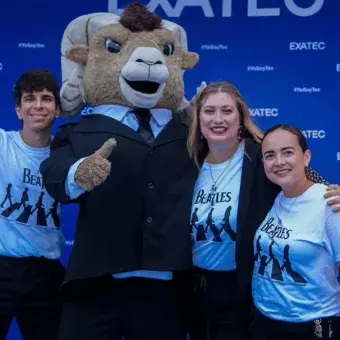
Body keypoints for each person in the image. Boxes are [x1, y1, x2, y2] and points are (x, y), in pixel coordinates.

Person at [186, 81, 340, 340]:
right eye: (209, 111)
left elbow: (301, 177)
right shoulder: (189, 161)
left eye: (227, 111)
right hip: (195, 287)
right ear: (198, 119)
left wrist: (334, 191)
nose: (218, 119)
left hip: (241, 290)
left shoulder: (260, 157)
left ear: (241, 118)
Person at [252, 125, 340, 339]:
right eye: (270, 155)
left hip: (313, 325)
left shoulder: (330, 205)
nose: (279, 161)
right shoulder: (276, 197)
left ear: (306, 157)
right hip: (265, 320)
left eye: (288, 152)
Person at [0, 70, 65, 339]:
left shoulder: (66, 154)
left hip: (46, 275)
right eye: (29, 99)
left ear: (58, 110)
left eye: (46, 98)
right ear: (18, 110)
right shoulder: (3, 144)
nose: (38, 106)